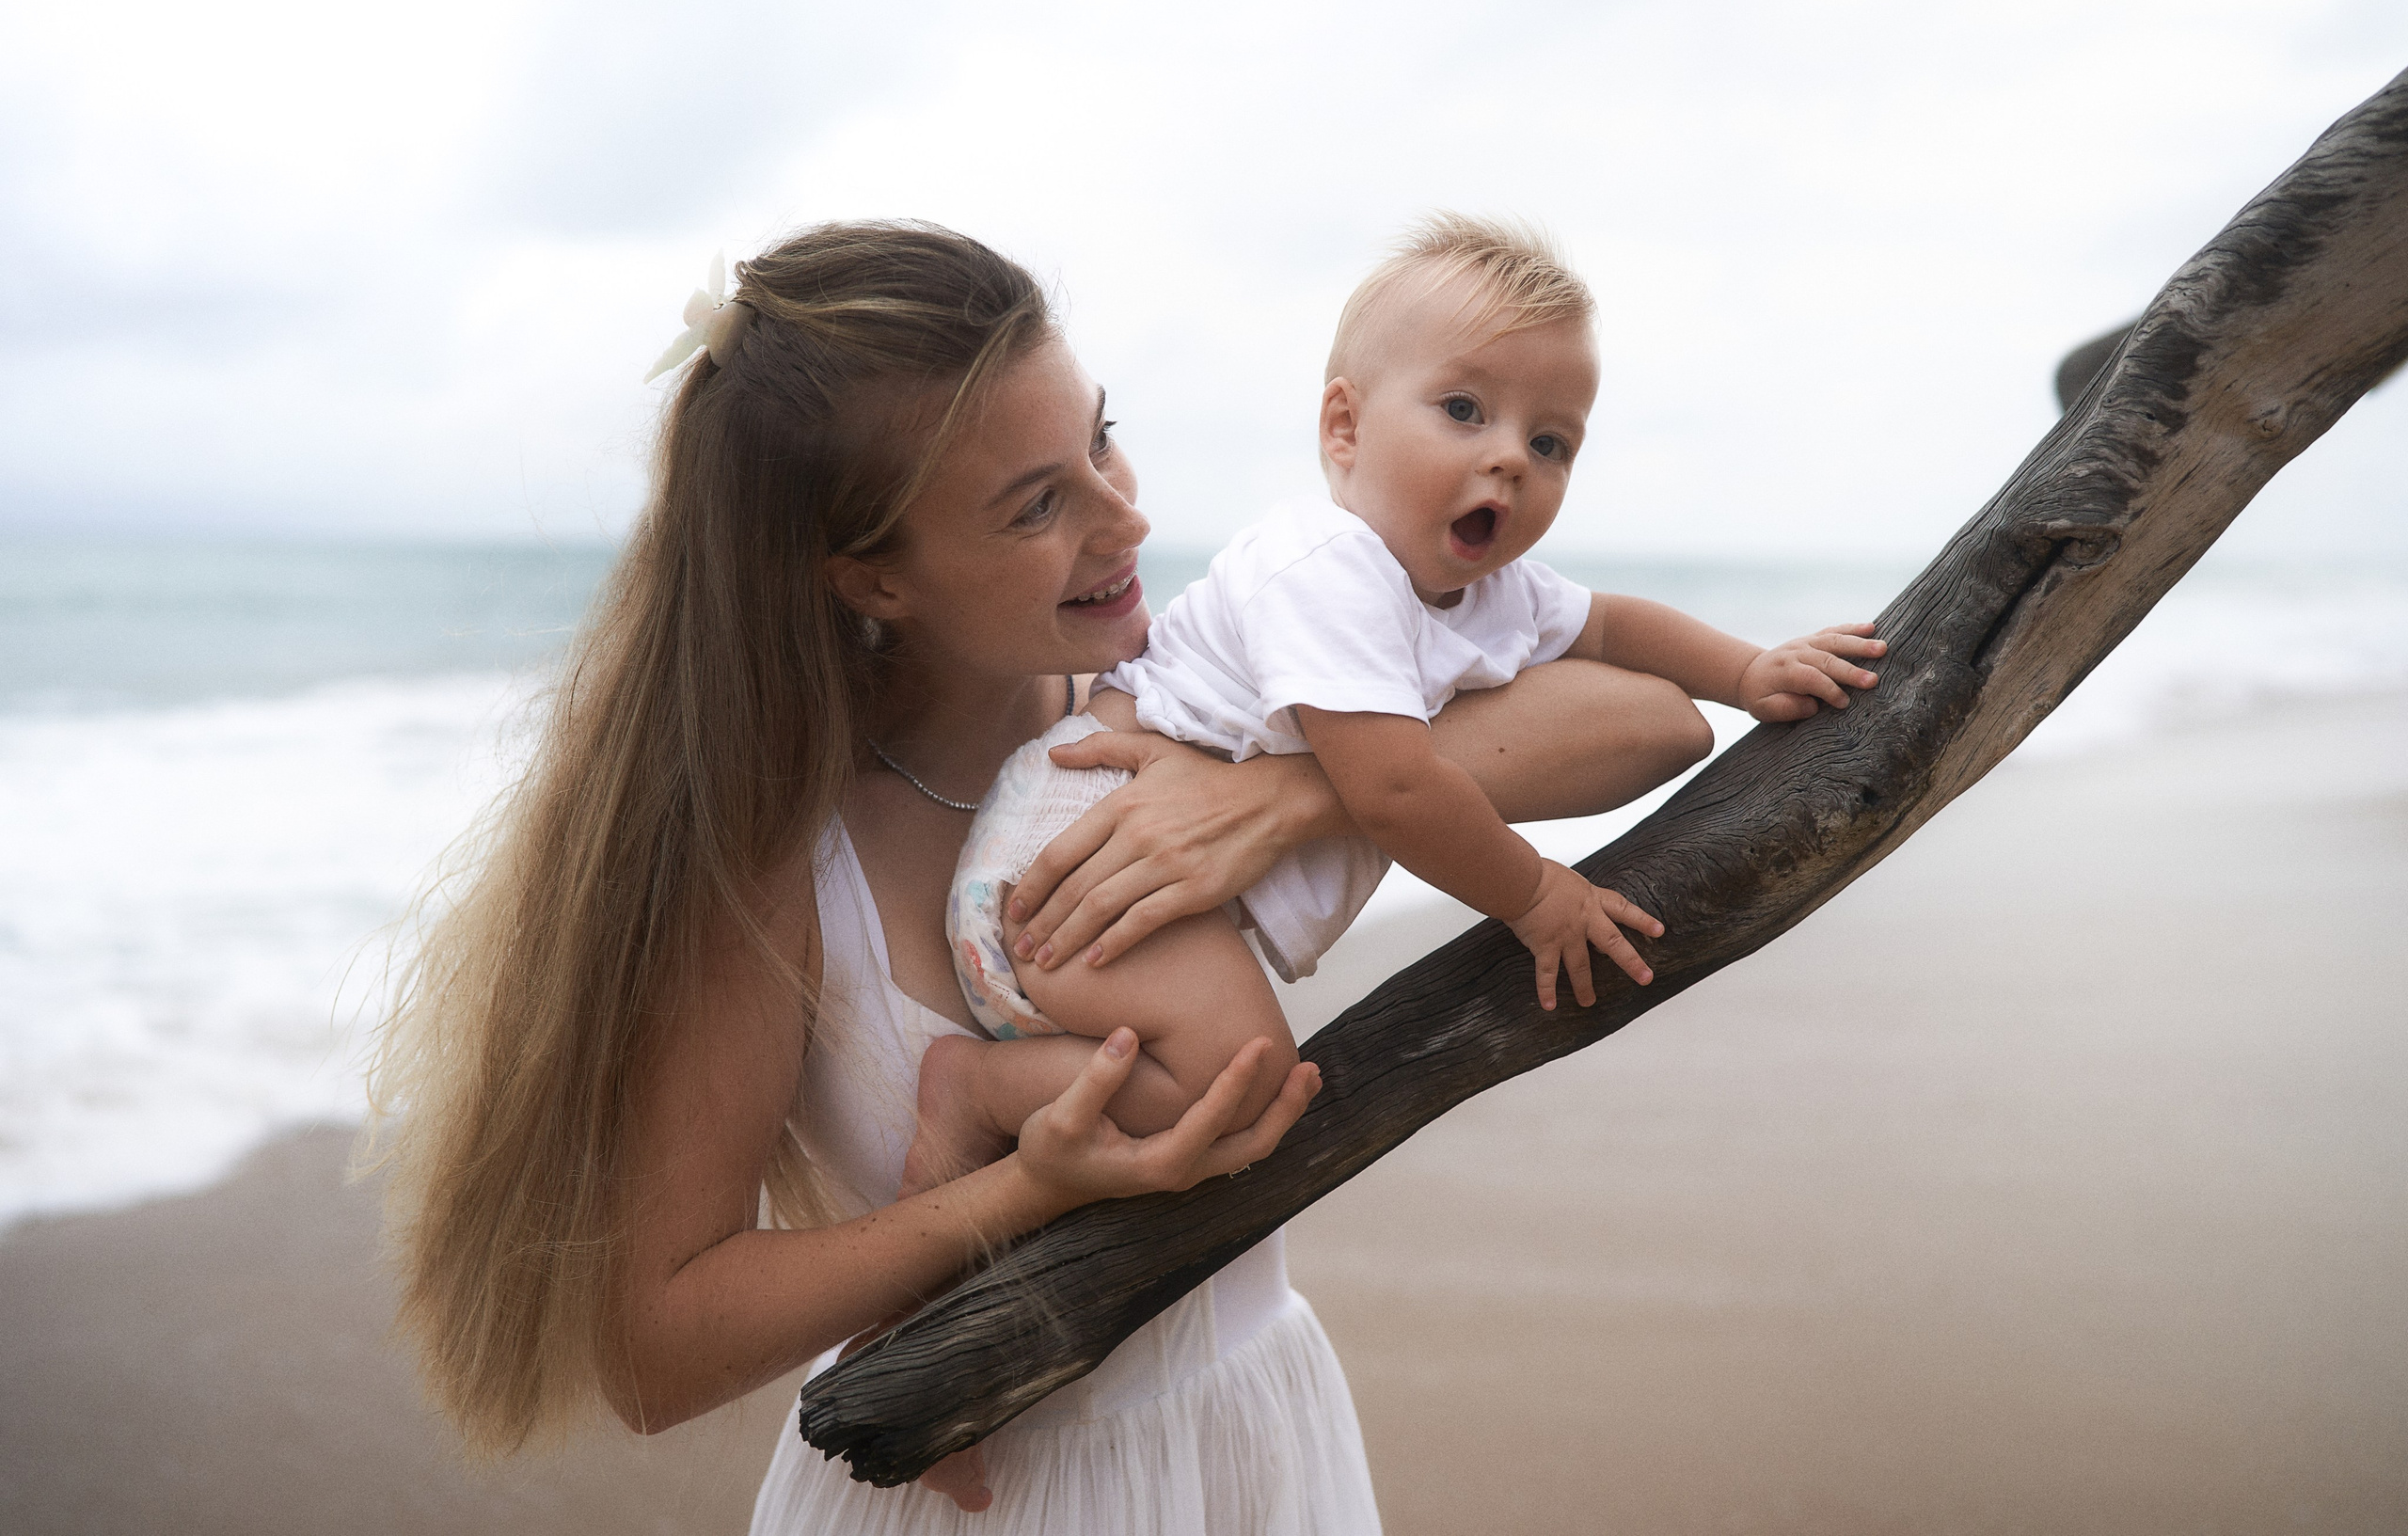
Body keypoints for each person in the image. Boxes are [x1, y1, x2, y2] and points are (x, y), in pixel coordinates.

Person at [366, 219, 1716, 1532]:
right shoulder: (781, 869)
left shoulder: (1166, 701)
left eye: (1103, 440)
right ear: (871, 576)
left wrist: (1282, 800)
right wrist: (1020, 1188)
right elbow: (656, 1354)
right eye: (1038, 503)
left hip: (1255, 1429)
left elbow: (1652, 720)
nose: (1125, 517)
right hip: (998, 1492)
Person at [911, 216, 1885, 1194]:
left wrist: (1748, 671)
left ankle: (1027, 1108)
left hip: (1122, 875)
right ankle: (978, 1090)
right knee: (1240, 1085)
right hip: (1070, 859)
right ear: (1345, 426)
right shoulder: (1325, 570)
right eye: (1464, 409)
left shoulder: (1495, 590)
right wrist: (1536, 896)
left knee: (1231, 1088)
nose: (1509, 457)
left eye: (1549, 442)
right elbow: (1395, 791)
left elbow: (1610, 627)